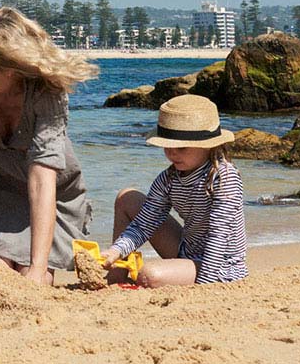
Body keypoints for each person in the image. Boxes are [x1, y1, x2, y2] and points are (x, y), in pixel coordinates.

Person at [0, 7, 100, 285]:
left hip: (51, 193)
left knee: (34, 280)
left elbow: (42, 175)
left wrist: (38, 266)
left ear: (11, 69)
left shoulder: (47, 91)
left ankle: (10, 255)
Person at [103, 94, 248, 288]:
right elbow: (143, 224)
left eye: (181, 148)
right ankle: (116, 276)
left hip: (221, 265)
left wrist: (204, 286)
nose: (172, 153)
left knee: (148, 275)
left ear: (207, 146)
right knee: (127, 197)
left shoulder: (223, 177)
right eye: (167, 146)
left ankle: (187, 277)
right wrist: (115, 251)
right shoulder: (168, 179)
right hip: (187, 251)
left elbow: (219, 236)